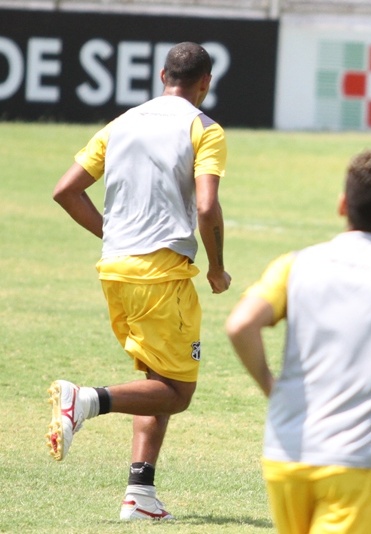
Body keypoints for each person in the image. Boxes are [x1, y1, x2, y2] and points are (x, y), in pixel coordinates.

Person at [226, 148, 371, 534]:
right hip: (362, 461)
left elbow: (240, 325)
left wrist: (270, 385)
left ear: (342, 205)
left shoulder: (295, 264)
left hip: (288, 452)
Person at [46, 41, 231, 521]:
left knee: (156, 378)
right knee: (177, 392)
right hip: (161, 276)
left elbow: (66, 191)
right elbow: (207, 206)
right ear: (205, 83)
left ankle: (140, 494)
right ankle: (86, 400)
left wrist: (115, 235)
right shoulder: (204, 129)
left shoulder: (121, 123)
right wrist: (216, 267)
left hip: (115, 270)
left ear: (162, 75)